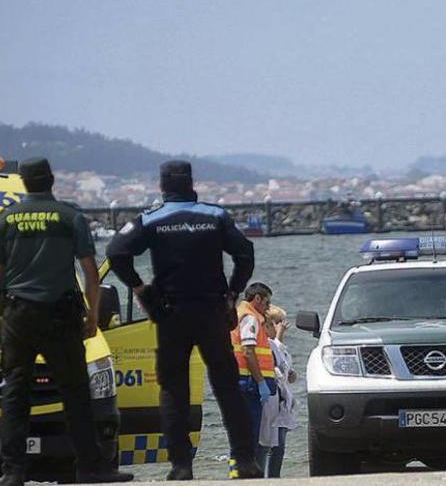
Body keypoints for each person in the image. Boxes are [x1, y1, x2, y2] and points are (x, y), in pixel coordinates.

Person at [105, 160, 262, 480]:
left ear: (162, 187)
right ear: (192, 184)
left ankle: (180, 466)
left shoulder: (151, 219)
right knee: (227, 387)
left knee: (173, 390)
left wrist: (139, 288)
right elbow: (245, 253)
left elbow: (116, 252)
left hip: (170, 313)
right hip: (212, 311)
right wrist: (233, 292)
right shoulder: (215, 216)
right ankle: (245, 461)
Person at [0, 158, 133, 486]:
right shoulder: (69, 216)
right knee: (75, 393)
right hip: (60, 316)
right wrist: (91, 314)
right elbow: (89, 272)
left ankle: (12, 472)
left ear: (26, 183)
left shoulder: (5, 219)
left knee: (16, 394)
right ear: (52, 180)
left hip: (18, 316)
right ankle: (91, 468)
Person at [231, 282, 276, 457]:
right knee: (248, 436)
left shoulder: (239, 314)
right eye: (266, 302)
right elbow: (249, 351)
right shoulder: (250, 318)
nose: (268, 307)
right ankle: (244, 479)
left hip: (245, 382)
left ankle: (238, 476)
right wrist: (261, 382)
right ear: (257, 299)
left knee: (242, 436)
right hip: (250, 383)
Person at [256, 306, 297, 477]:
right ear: (267, 326)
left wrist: (291, 374)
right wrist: (279, 333)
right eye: (277, 324)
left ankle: (274, 478)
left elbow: (285, 370)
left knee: (278, 447)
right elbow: (273, 366)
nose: (281, 327)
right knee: (267, 445)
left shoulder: (277, 347)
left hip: (282, 404)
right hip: (271, 403)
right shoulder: (267, 345)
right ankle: (261, 478)